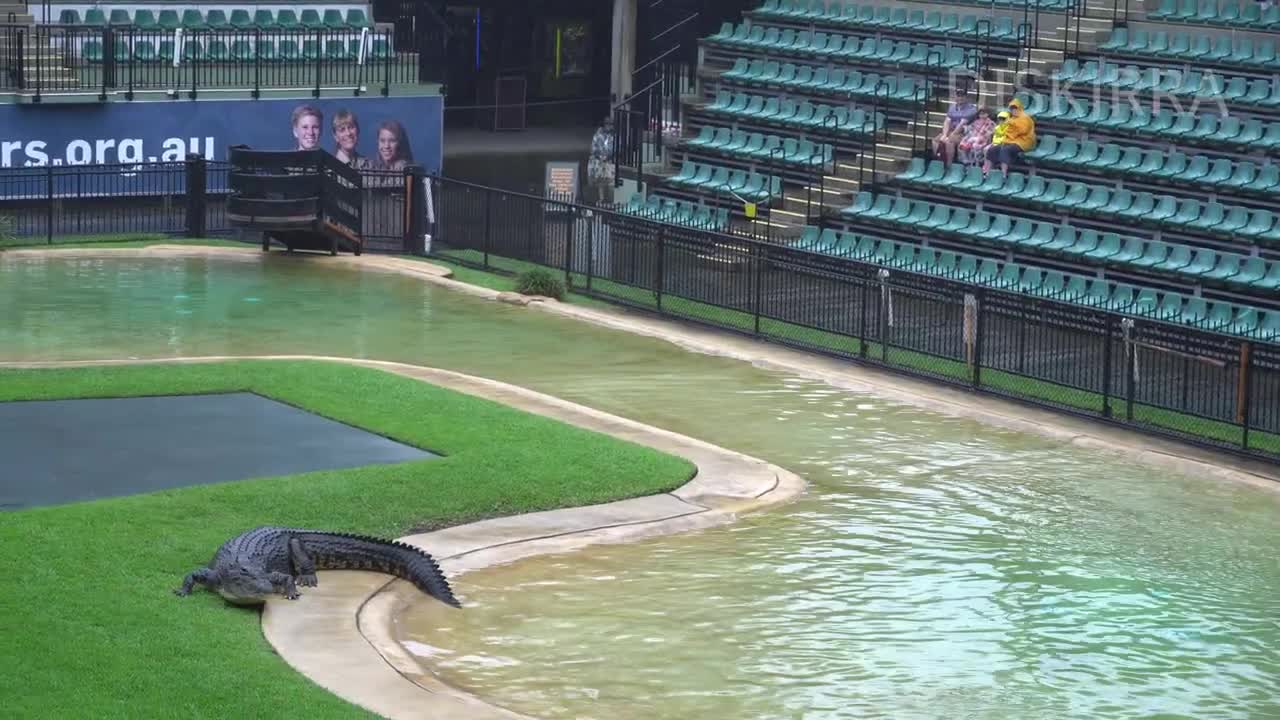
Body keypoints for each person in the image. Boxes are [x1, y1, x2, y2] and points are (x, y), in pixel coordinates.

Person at [983, 97, 1036, 176]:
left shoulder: (1025, 118)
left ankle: (1003, 174)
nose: (1013, 110)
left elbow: (1023, 130)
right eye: (1012, 109)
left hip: (1024, 142)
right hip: (1010, 140)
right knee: (992, 149)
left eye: (1015, 108)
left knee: (1005, 150)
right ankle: (987, 172)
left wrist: (1012, 125)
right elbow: (1008, 131)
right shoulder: (1011, 119)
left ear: (1019, 108)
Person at [932, 86, 978, 168]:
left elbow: (962, 124)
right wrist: (944, 135)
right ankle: (939, 161)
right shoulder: (952, 107)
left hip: (964, 133)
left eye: (962, 96)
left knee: (949, 141)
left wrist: (950, 135)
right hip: (951, 130)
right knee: (936, 140)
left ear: (966, 97)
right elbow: (947, 121)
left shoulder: (971, 109)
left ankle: (949, 165)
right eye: (958, 96)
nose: (960, 98)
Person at [587, 115, 615, 204]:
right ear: (604, 124)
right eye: (607, 124)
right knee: (600, 181)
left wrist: (609, 156)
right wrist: (599, 156)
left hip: (610, 161)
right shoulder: (598, 134)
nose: (609, 126)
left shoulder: (614, 136)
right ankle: (601, 198)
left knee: (610, 181)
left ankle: (610, 199)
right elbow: (593, 147)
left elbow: (617, 148)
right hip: (598, 161)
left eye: (610, 124)